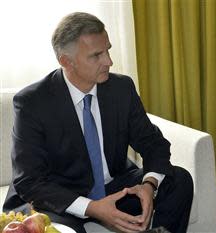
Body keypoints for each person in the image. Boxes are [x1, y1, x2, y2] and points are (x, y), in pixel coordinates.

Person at [3, 12, 193, 233]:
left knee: (179, 180)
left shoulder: (121, 88)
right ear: (66, 61)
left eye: (108, 50)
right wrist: (92, 207)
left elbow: (153, 143)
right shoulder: (32, 102)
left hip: (112, 186)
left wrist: (149, 186)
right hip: (58, 197)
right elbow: (30, 182)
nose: (109, 61)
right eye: (97, 55)